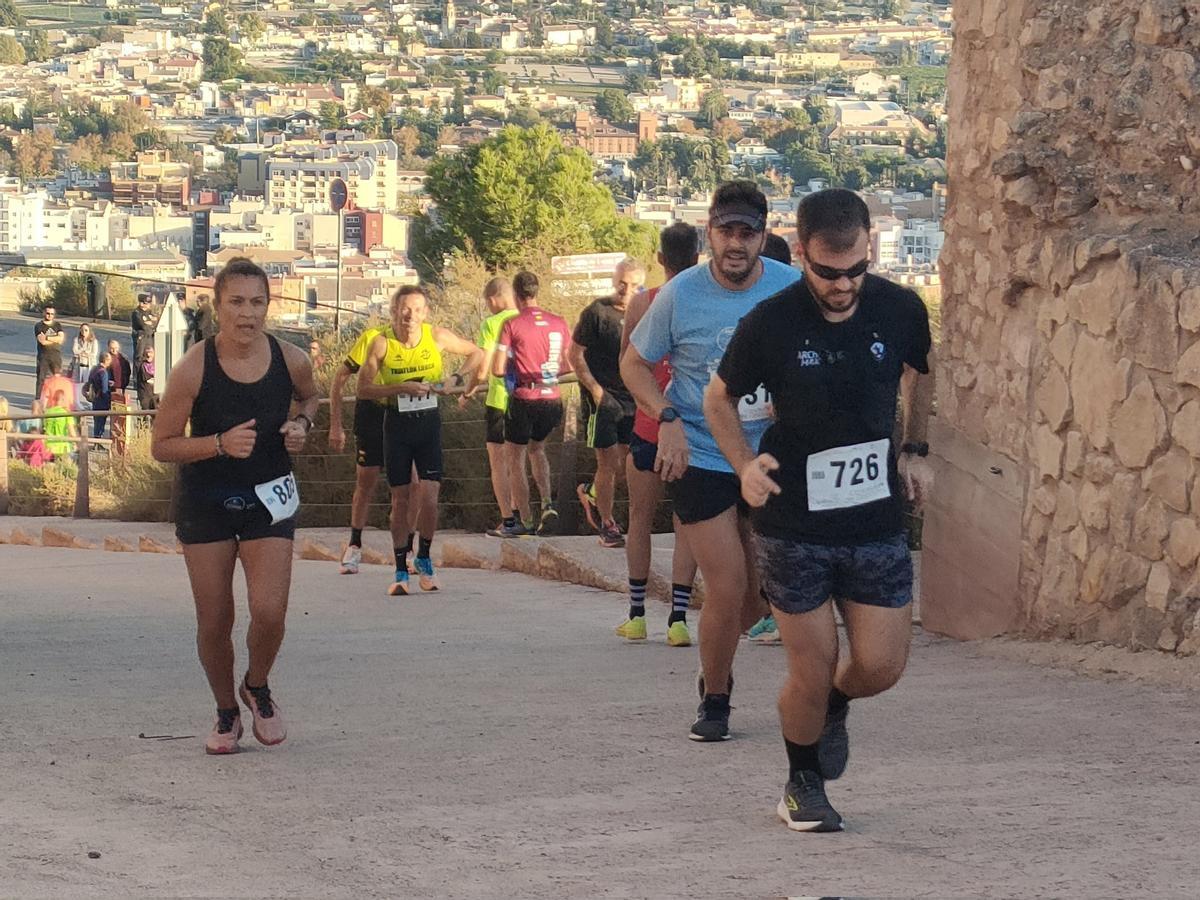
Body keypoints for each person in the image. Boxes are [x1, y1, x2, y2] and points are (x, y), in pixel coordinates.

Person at [706, 188, 933, 832]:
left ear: (871, 247)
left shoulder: (900, 308)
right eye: (828, 273)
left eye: (855, 269)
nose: (842, 284)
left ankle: (835, 703)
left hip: (875, 520)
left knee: (881, 666)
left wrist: (915, 447)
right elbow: (719, 401)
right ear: (801, 252)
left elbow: (922, 368)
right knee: (809, 662)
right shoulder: (771, 322)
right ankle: (802, 782)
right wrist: (744, 466)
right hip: (792, 524)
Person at [622, 180, 801, 742]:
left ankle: (717, 665)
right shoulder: (680, 295)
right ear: (709, 232)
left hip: (768, 455)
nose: (736, 244)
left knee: (758, 594)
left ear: (763, 235)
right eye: (726, 231)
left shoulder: (792, 290)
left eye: (748, 233)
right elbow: (633, 366)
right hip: (700, 452)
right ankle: (717, 699)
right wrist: (666, 420)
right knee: (726, 584)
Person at [152, 256, 319, 756]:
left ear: (270, 305)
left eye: (258, 302)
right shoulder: (192, 369)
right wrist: (218, 444)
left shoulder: (292, 360)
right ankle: (226, 711)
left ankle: (258, 685)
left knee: (269, 612)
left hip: (269, 498)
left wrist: (303, 426)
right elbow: (161, 444)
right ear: (217, 306)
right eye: (237, 303)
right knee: (215, 620)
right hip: (207, 501)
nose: (248, 314)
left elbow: (310, 399)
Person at [357, 285, 482, 596]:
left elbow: (478, 353)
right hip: (396, 426)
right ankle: (401, 569)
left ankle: (424, 557)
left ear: (425, 314)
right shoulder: (381, 344)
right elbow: (363, 388)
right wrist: (400, 388)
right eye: (404, 309)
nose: (409, 316)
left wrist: (454, 379)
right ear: (394, 311)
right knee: (400, 501)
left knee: (430, 496)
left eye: (416, 310)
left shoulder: (436, 337)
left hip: (428, 425)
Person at [617, 224, 701, 647]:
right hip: (692, 429)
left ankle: (636, 614)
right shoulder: (704, 301)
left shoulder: (642, 304)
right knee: (686, 523)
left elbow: (628, 365)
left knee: (639, 519)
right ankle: (679, 619)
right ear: (699, 255)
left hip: (650, 423)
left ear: (661, 259)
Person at [327, 320, 420, 576]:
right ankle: (354, 545)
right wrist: (336, 425)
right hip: (371, 414)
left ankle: (408, 549)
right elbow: (339, 378)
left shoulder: (420, 340)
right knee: (366, 481)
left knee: (412, 483)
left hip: (402, 414)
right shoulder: (371, 337)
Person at [570, 258, 645, 549]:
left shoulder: (643, 313)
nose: (626, 291)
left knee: (625, 466)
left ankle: (591, 493)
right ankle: (607, 523)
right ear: (615, 281)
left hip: (633, 397)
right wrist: (594, 389)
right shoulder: (596, 312)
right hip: (602, 399)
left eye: (634, 286)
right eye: (622, 284)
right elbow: (574, 354)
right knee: (607, 462)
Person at [492, 271, 573, 537]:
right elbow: (568, 364)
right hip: (552, 398)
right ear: (537, 292)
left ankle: (524, 520)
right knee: (538, 450)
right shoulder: (559, 322)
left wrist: (516, 368)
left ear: (516, 295)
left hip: (525, 398)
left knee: (514, 458)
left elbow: (497, 368)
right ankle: (547, 503)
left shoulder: (512, 324)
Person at [465, 277, 521, 537]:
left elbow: (483, 369)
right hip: (526, 399)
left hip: (499, 400)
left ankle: (508, 519)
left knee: (498, 462)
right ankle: (526, 515)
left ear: (492, 299)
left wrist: (467, 391)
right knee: (520, 461)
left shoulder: (491, 323)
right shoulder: (525, 317)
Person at [106, 339, 132, 454]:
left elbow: (127, 372)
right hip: (109, 389)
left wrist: (123, 384)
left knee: (120, 415)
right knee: (110, 414)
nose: (114, 350)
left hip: (120, 388)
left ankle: (119, 436)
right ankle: (111, 436)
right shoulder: (107, 358)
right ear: (108, 348)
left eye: (115, 348)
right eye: (112, 348)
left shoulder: (123, 359)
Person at [34, 305, 65, 398]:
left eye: (52, 314)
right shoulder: (39, 326)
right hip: (43, 356)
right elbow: (42, 341)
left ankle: (57, 398)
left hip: (56, 356)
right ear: (44, 313)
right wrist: (54, 339)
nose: (49, 315)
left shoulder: (57, 325)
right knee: (41, 379)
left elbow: (61, 339)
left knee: (57, 378)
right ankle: (38, 399)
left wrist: (47, 337)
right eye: (48, 313)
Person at [43, 389, 77, 461]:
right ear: (62, 400)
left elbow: (43, 428)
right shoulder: (66, 413)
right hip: (62, 446)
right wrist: (75, 443)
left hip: (49, 446)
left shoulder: (47, 412)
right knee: (66, 468)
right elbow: (71, 431)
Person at [87, 352, 114, 438]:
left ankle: (96, 441)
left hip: (95, 398)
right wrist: (109, 402)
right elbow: (104, 390)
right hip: (102, 401)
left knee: (96, 421)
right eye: (109, 360)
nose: (110, 362)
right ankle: (98, 441)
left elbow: (91, 381)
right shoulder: (104, 372)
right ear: (106, 360)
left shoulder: (94, 369)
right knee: (101, 422)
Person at [131, 294, 159, 373]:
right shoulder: (136, 313)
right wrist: (150, 323)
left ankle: (148, 374)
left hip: (150, 337)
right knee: (139, 357)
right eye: (143, 303)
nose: (145, 305)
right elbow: (142, 325)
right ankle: (137, 377)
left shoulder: (150, 312)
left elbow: (156, 323)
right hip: (141, 338)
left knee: (150, 356)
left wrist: (150, 323)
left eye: (147, 303)